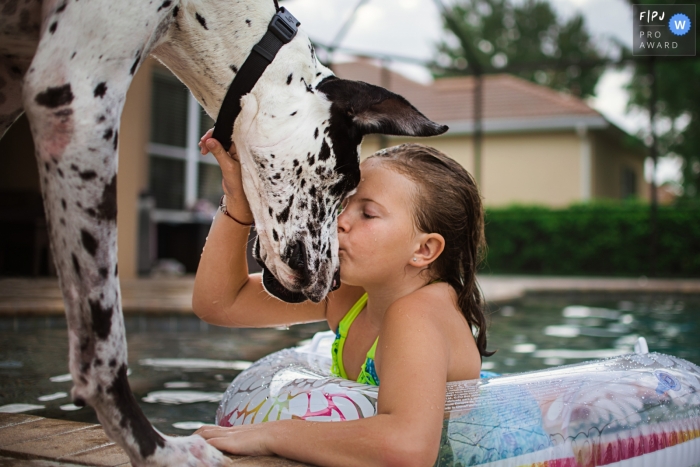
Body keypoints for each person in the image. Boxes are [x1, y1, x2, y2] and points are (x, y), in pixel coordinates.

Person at [192, 130, 493, 467]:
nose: (338, 220)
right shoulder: (350, 295)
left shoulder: (421, 313)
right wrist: (238, 205)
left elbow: (409, 449)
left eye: (367, 214)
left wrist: (271, 433)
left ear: (423, 250)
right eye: (343, 202)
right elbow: (221, 303)